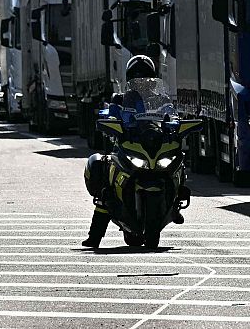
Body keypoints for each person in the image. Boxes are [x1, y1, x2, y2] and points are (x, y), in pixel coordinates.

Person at [81, 54, 189, 248]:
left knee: (178, 162)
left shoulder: (161, 100)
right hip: (128, 142)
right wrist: (111, 122)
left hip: (153, 142)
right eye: (137, 76)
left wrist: (176, 125)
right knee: (107, 182)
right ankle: (94, 236)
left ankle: (175, 202)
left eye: (146, 76)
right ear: (130, 78)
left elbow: (171, 116)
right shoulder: (120, 99)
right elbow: (111, 115)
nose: (142, 81)